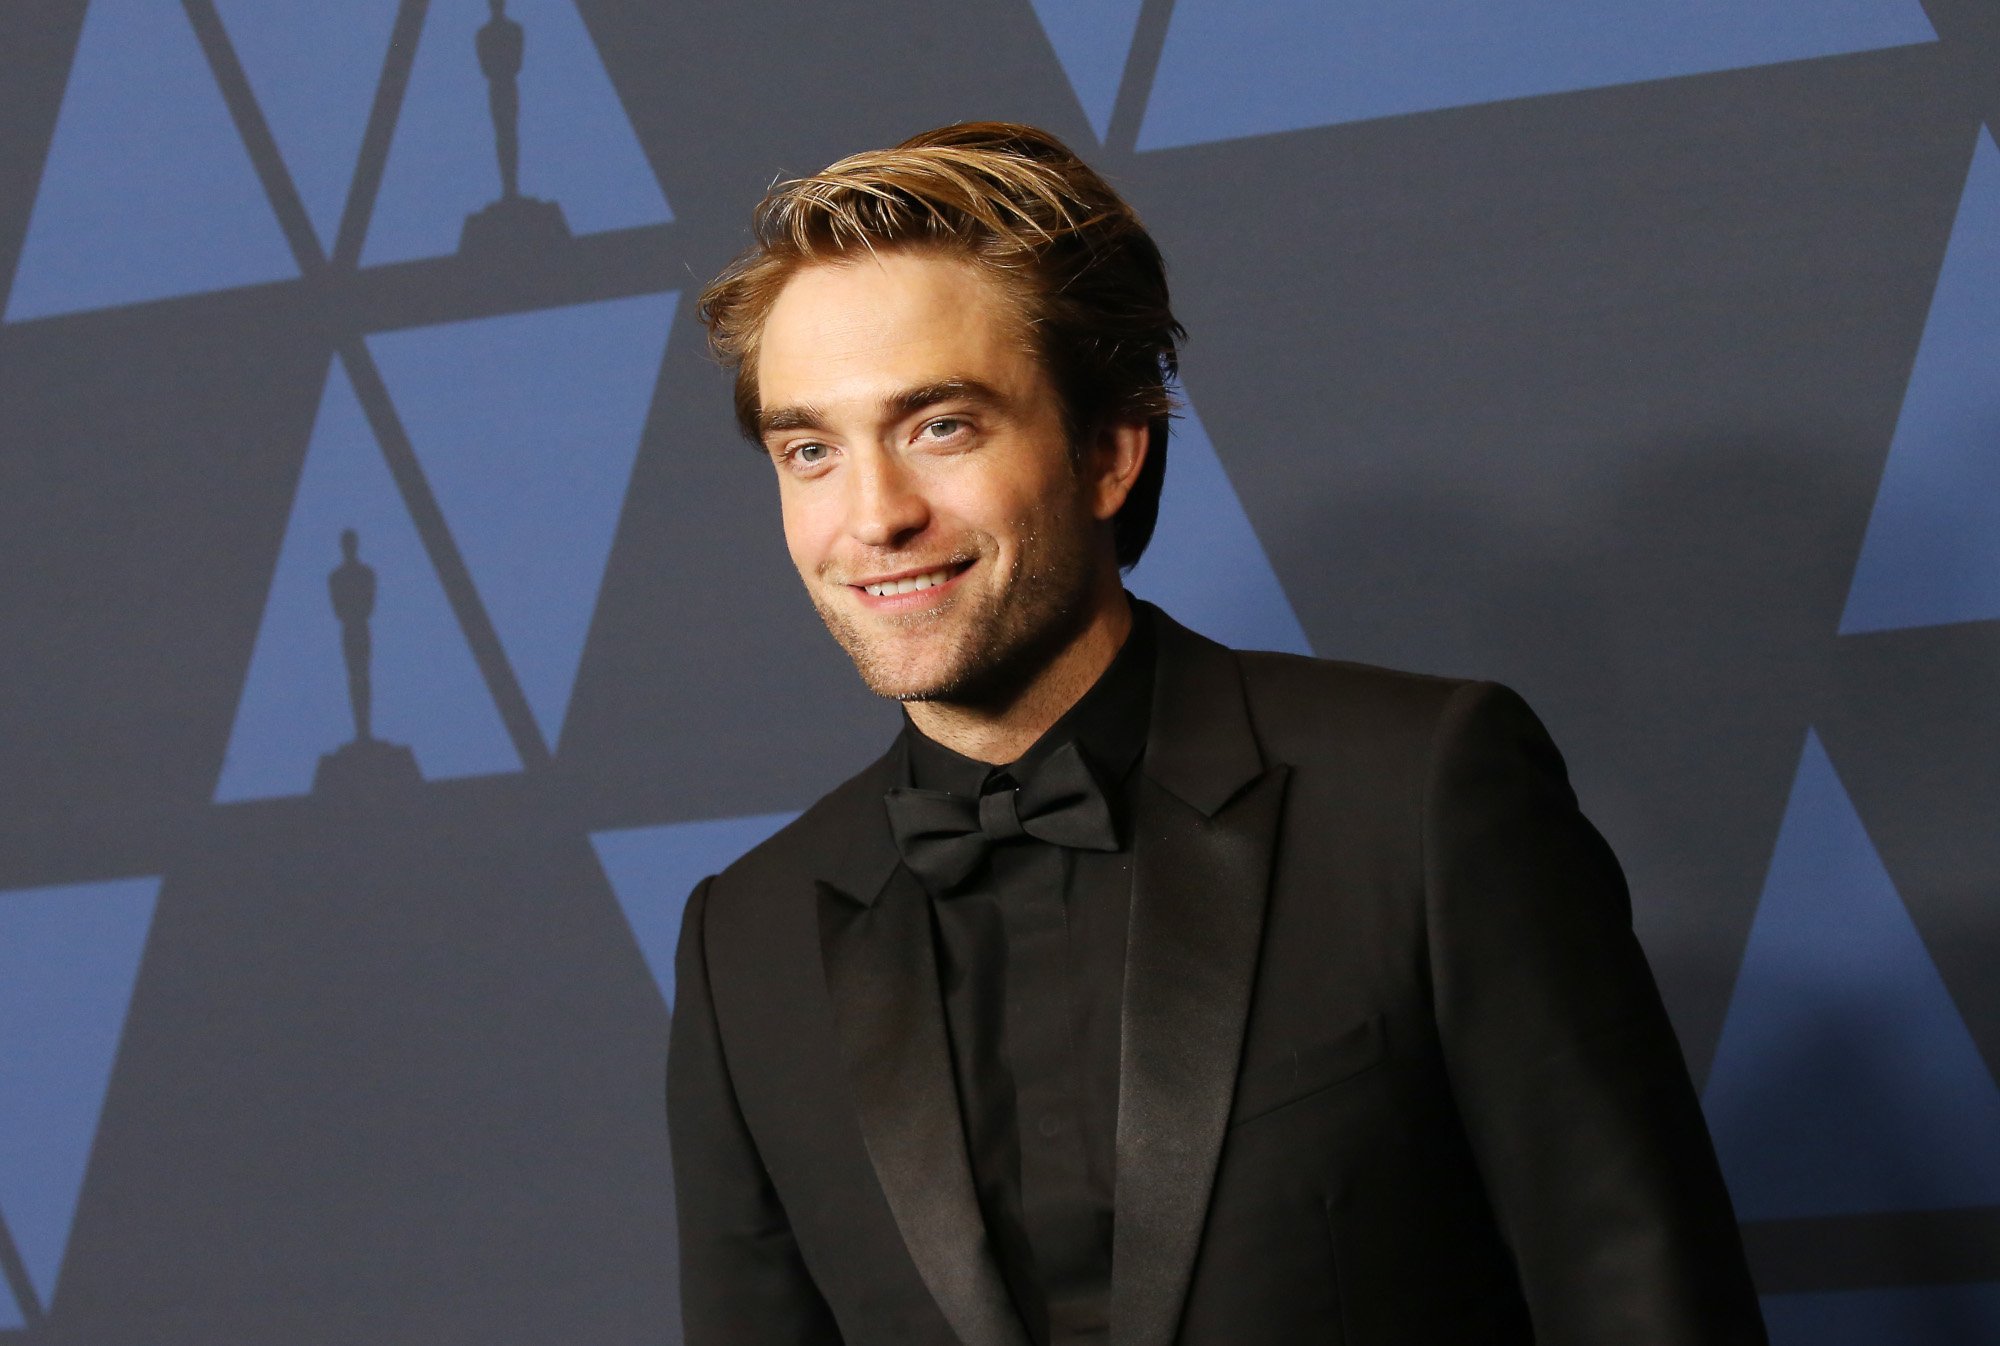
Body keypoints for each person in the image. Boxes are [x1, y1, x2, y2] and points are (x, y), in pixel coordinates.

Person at [666, 122, 1766, 1345]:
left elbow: (1643, 1302)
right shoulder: (747, 941)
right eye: (809, 449)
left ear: (1107, 453)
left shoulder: (1418, 796)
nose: (872, 516)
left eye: (941, 427)